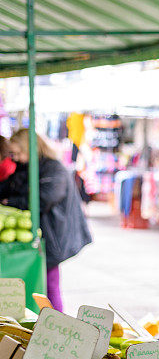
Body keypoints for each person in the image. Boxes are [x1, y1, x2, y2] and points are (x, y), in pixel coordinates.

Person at [0, 129, 92, 312]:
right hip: (42, 234)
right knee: (43, 283)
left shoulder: (53, 168)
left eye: (18, 153)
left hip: (54, 235)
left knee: (50, 284)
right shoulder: (27, 166)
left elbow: (45, 198)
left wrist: (10, 202)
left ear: (31, 148)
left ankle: (57, 324)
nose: (15, 158)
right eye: (13, 154)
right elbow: (10, 186)